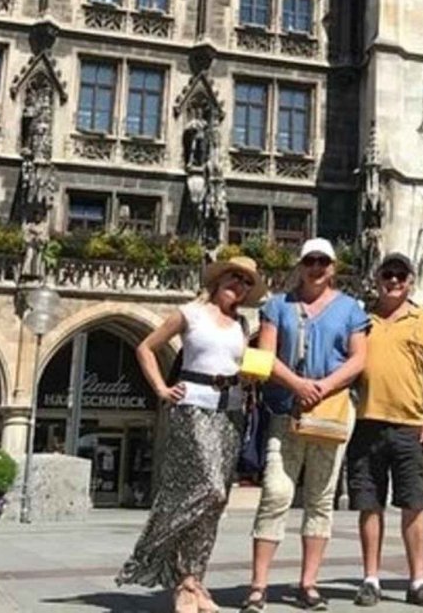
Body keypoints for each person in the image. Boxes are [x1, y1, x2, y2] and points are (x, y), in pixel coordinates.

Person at [118, 255, 266, 613]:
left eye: (246, 282)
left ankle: (191, 582)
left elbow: (239, 363)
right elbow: (146, 347)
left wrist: (251, 377)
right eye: (234, 277)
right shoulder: (190, 314)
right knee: (207, 488)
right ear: (217, 281)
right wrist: (160, 389)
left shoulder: (242, 324)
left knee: (217, 502)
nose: (240, 286)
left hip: (230, 410)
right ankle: (154, 547)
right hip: (193, 407)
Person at [244, 238, 370, 613]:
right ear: (301, 265)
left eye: (323, 262)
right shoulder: (277, 306)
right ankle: (258, 584)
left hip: (330, 412)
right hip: (286, 409)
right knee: (276, 494)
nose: (317, 268)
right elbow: (264, 355)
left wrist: (325, 387)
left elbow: (359, 357)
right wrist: (297, 384)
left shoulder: (350, 308)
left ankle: (309, 583)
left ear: (333, 267)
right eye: (310, 261)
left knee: (320, 498)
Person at [348, 252, 423, 608]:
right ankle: (370, 579)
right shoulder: (361, 319)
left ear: (410, 281)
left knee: (414, 505)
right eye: (388, 274)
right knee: (369, 504)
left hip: (410, 426)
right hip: (367, 422)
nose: (394, 281)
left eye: (400, 275)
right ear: (378, 278)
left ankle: (418, 580)